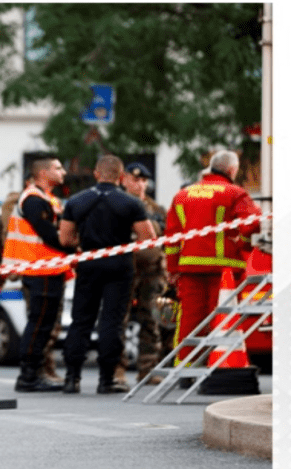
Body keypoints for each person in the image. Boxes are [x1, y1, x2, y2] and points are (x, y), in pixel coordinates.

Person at [59, 155, 156, 394]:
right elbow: (148, 237)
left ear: (96, 174)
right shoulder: (131, 203)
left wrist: (83, 244)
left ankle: (72, 377)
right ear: (121, 177)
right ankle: (106, 379)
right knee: (111, 322)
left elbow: (65, 238)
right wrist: (127, 244)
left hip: (88, 263)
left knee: (81, 320)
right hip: (119, 265)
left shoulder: (76, 201)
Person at [164, 150, 262, 370]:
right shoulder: (235, 193)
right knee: (221, 319)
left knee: (189, 319)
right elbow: (252, 224)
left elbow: (171, 237)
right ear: (232, 170)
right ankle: (218, 366)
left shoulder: (183, 195)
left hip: (189, 268)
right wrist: (242, 243)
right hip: (224, 270)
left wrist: (172, 269)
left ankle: (185, 368)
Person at [1, 157, 72, 393]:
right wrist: (75, 247)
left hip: (50, 269)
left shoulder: (49, 199)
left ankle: (35, 373)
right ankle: (28, 377)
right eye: (58, 168)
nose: (63, 172)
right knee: (39, 324)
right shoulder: (33, 199)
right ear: (43, 173)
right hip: (38, 269)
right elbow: (50, 235)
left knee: (45, 325)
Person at [118, 162, 169, 385]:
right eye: (135, 179)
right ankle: (117, 370)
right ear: (124, 180)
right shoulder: (116, 204)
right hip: (124, 271)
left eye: (143, 180)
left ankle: (148, 369)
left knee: (152, 321)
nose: (139, 184)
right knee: (119, 319)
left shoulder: (157, 210)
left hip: (151, 272)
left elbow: (167, 238)